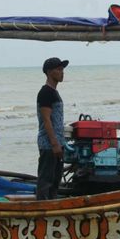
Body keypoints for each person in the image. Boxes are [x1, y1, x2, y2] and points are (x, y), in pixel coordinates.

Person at [36, 57, 68, 200]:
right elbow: (46, 120)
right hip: (49, 144)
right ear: (49, 72)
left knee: (55, 180)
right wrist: (54, 144)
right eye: (59, 69)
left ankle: (52, 206)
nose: (62, 73)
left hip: (58, 143)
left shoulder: (55, 92)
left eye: (62, 70)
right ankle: (41, 208)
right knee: (46, 180)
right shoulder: (45, 93)